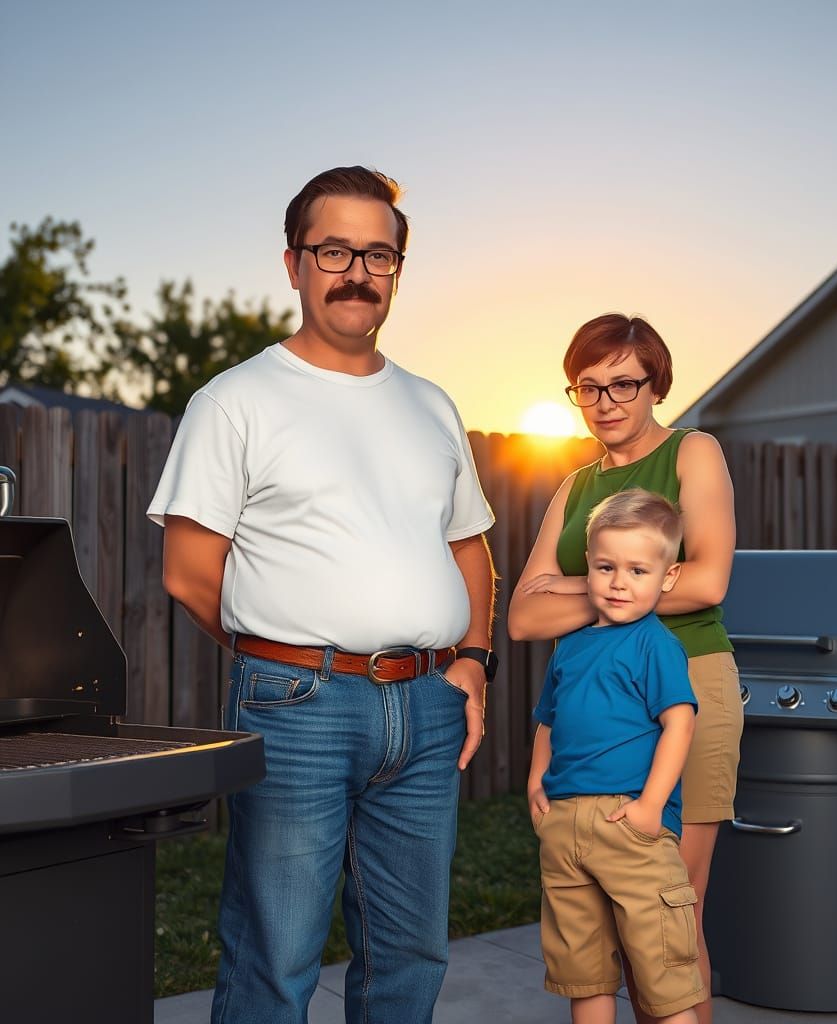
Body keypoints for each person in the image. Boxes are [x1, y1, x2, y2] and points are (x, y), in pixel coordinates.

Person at [147, 166, 497, 1024]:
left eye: (379, 253)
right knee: (277, 956)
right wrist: (289, 654)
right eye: (334, 249)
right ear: (294, 262)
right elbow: (191, 572)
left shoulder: (431, 404)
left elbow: (470, 547)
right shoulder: (235, 401)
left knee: (410, 953)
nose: (357, 271)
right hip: (296, 704)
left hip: (426, 707)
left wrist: (476, 663)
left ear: (398, 270)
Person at [509, 313, 740, 1024]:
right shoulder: (576, 488)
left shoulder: (692, 453)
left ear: (655, 384)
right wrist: (630, 582)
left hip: (686, 686)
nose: (606, 402)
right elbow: (521, 616)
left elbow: (705, 582)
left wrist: (579, 587)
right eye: (588, 387)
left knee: (672, 917)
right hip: (593, 712)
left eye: (624, 384)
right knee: (598, 928)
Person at [529, 488, 702, 1024]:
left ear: (667, 577)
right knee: (583, 974)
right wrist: (537, 782)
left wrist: (651, 806)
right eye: (606, 567)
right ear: (589, 566)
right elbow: (548, 719)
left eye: (637, 570)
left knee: (664, 975)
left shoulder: (655, 644)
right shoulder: (572, 644)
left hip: (630, 824)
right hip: (565, 826)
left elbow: (680, 721)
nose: (619, 582)